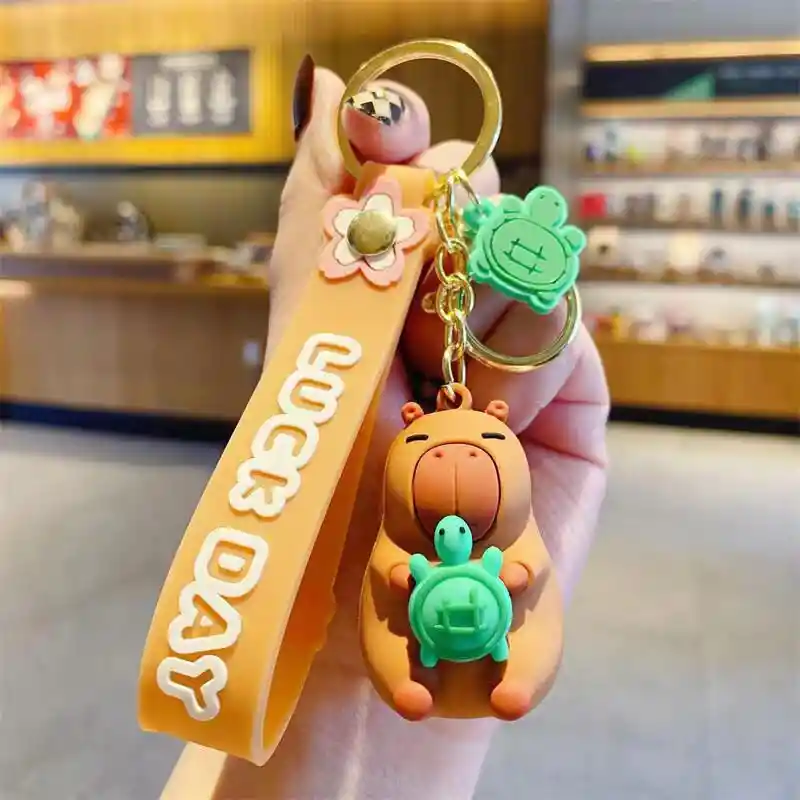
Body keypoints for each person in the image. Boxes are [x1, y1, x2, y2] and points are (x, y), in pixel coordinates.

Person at [237, 56, 609, 799]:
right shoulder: (397, 529)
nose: (461, 458)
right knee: (388, 630)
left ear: (500, 421)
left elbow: (525, 569)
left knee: (529, 635)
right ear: (410, 421)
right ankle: (394, 679)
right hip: (392, 628)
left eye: (484, 443)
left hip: (480, 622)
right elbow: (387, 574)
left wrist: (517, 574)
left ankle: (505, 678)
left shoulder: (515, 524)